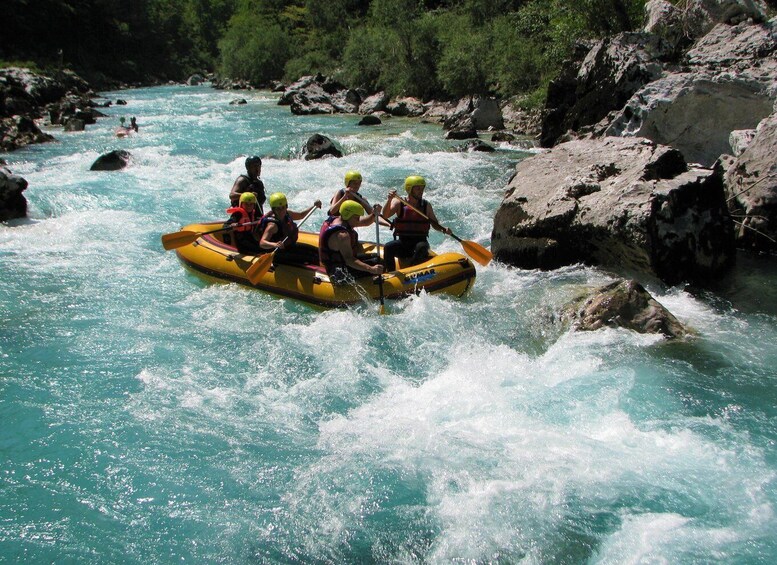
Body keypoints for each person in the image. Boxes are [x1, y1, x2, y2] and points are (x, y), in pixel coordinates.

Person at [381, 175, 452, 270]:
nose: (421, 191)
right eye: (418, 188)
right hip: (403, 243)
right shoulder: (399, 203)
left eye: (422, 188)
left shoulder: (426, 205)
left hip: (420, 241)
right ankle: (390, 274)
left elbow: (435, 225)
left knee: (421, 247)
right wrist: (389, 200)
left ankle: (413, 271)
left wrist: (444, 229)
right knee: (388, 247)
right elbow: (385, 215)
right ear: (409, 189)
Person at [319, 200, 384, 284]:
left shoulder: (337, 219)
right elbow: (349, 260)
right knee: (377, 263)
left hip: (342, 263)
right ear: (348, 215)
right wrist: (371, 269)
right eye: (357, 217)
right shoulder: (342, 235)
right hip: (338, 272)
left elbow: (366, 222)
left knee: (377, 258)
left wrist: (374, 214)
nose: (358, 220)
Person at [257, 192, 322, 265]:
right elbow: (262, 243)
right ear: (273, 209)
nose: (281, 211)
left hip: (289, 247)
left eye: (283, 207)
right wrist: (274, 244)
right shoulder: (272, 225)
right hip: (279, 253)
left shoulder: (288, 213)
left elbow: (301, 215)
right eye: (278, 209)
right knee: (312, 258)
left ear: (286, 206)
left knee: (318, 252)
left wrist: (314, 206)